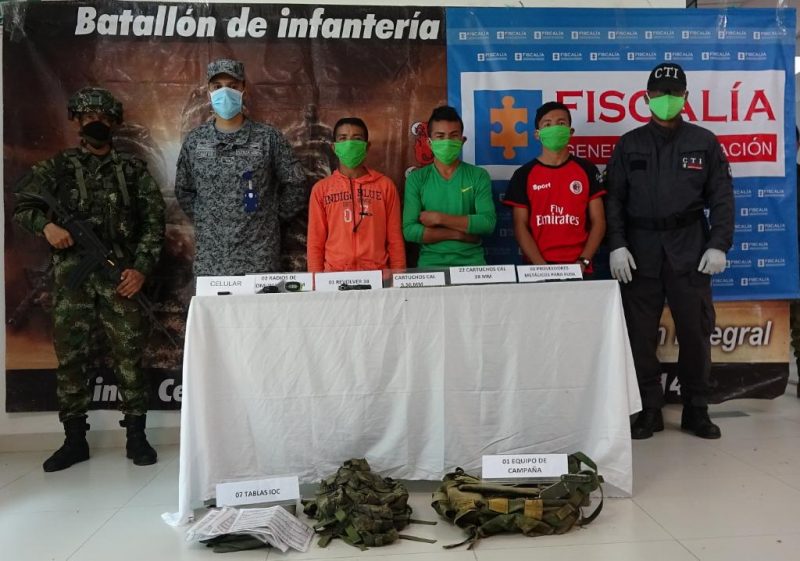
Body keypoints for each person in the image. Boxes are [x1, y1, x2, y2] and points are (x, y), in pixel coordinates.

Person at [13, 87, 166, 471]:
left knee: (130, 357)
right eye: (88, 117)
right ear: (78, 122)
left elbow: (153, 223)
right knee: (71, 359)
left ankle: (136, 436)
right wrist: (46, 226)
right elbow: (22, 204)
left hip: (121, 277)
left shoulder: (132, 170)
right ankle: (74, 440)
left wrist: (141, 268)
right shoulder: (58, 168)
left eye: (103, 118)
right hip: (73, 281)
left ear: (114, 122)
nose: (96, 123)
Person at [606, 63, 734, 440]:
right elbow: (613, 200)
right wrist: (617, 244)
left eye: (674, 93)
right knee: (639, 334)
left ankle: (697, 408)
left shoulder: (704, 142)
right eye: (659, 93)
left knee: (695, 331)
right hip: (640, 251)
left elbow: (722, 198)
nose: (667, 99)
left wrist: (718, 244)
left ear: (685, 97)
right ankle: (649, 409)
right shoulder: (629, 144)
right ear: (647, 98)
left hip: (690, 249)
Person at [175, 59, 307, 276]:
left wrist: (269, 218)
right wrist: (208, 218)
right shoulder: (195, 141)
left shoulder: (268, 138)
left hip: (259, 258)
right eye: (217, 86)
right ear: (209, 91)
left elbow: (296, 185)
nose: (225, 92)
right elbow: (184, 190)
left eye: (232, 86)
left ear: (243, 89)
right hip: (212, 260)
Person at [503, 101, 606, 276]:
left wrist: (584, 261)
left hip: (579, 268)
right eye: (547, 124)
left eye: (561, 123)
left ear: (570, 131)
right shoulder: (523, 174)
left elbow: (599, 221)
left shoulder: (587, 170)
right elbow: (520, 226)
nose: (555, 128)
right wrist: (542, 268)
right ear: (537, 134)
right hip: (537, 269)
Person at [306, 117, 406, 272]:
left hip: (377, 275)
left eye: (357, 138)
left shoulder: (385, 186)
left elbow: (395, 239)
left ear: (367, 146)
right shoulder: (321, 190)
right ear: (334, 147)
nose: (350, 144)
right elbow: (315, 242)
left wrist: (398, 277)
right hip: (334, 277)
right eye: (343, 138)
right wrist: (315, 280)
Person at [402, 105, 496, 267]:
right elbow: (410, 231)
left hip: (472, 266)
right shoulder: (417, 179)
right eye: (440, 136)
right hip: (430, 266)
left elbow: (487, 223)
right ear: (429, 142)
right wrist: (458, 235)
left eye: (453, 136)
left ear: (462, 140)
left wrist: (439, 218)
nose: (447, 141)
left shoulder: (479, 175)